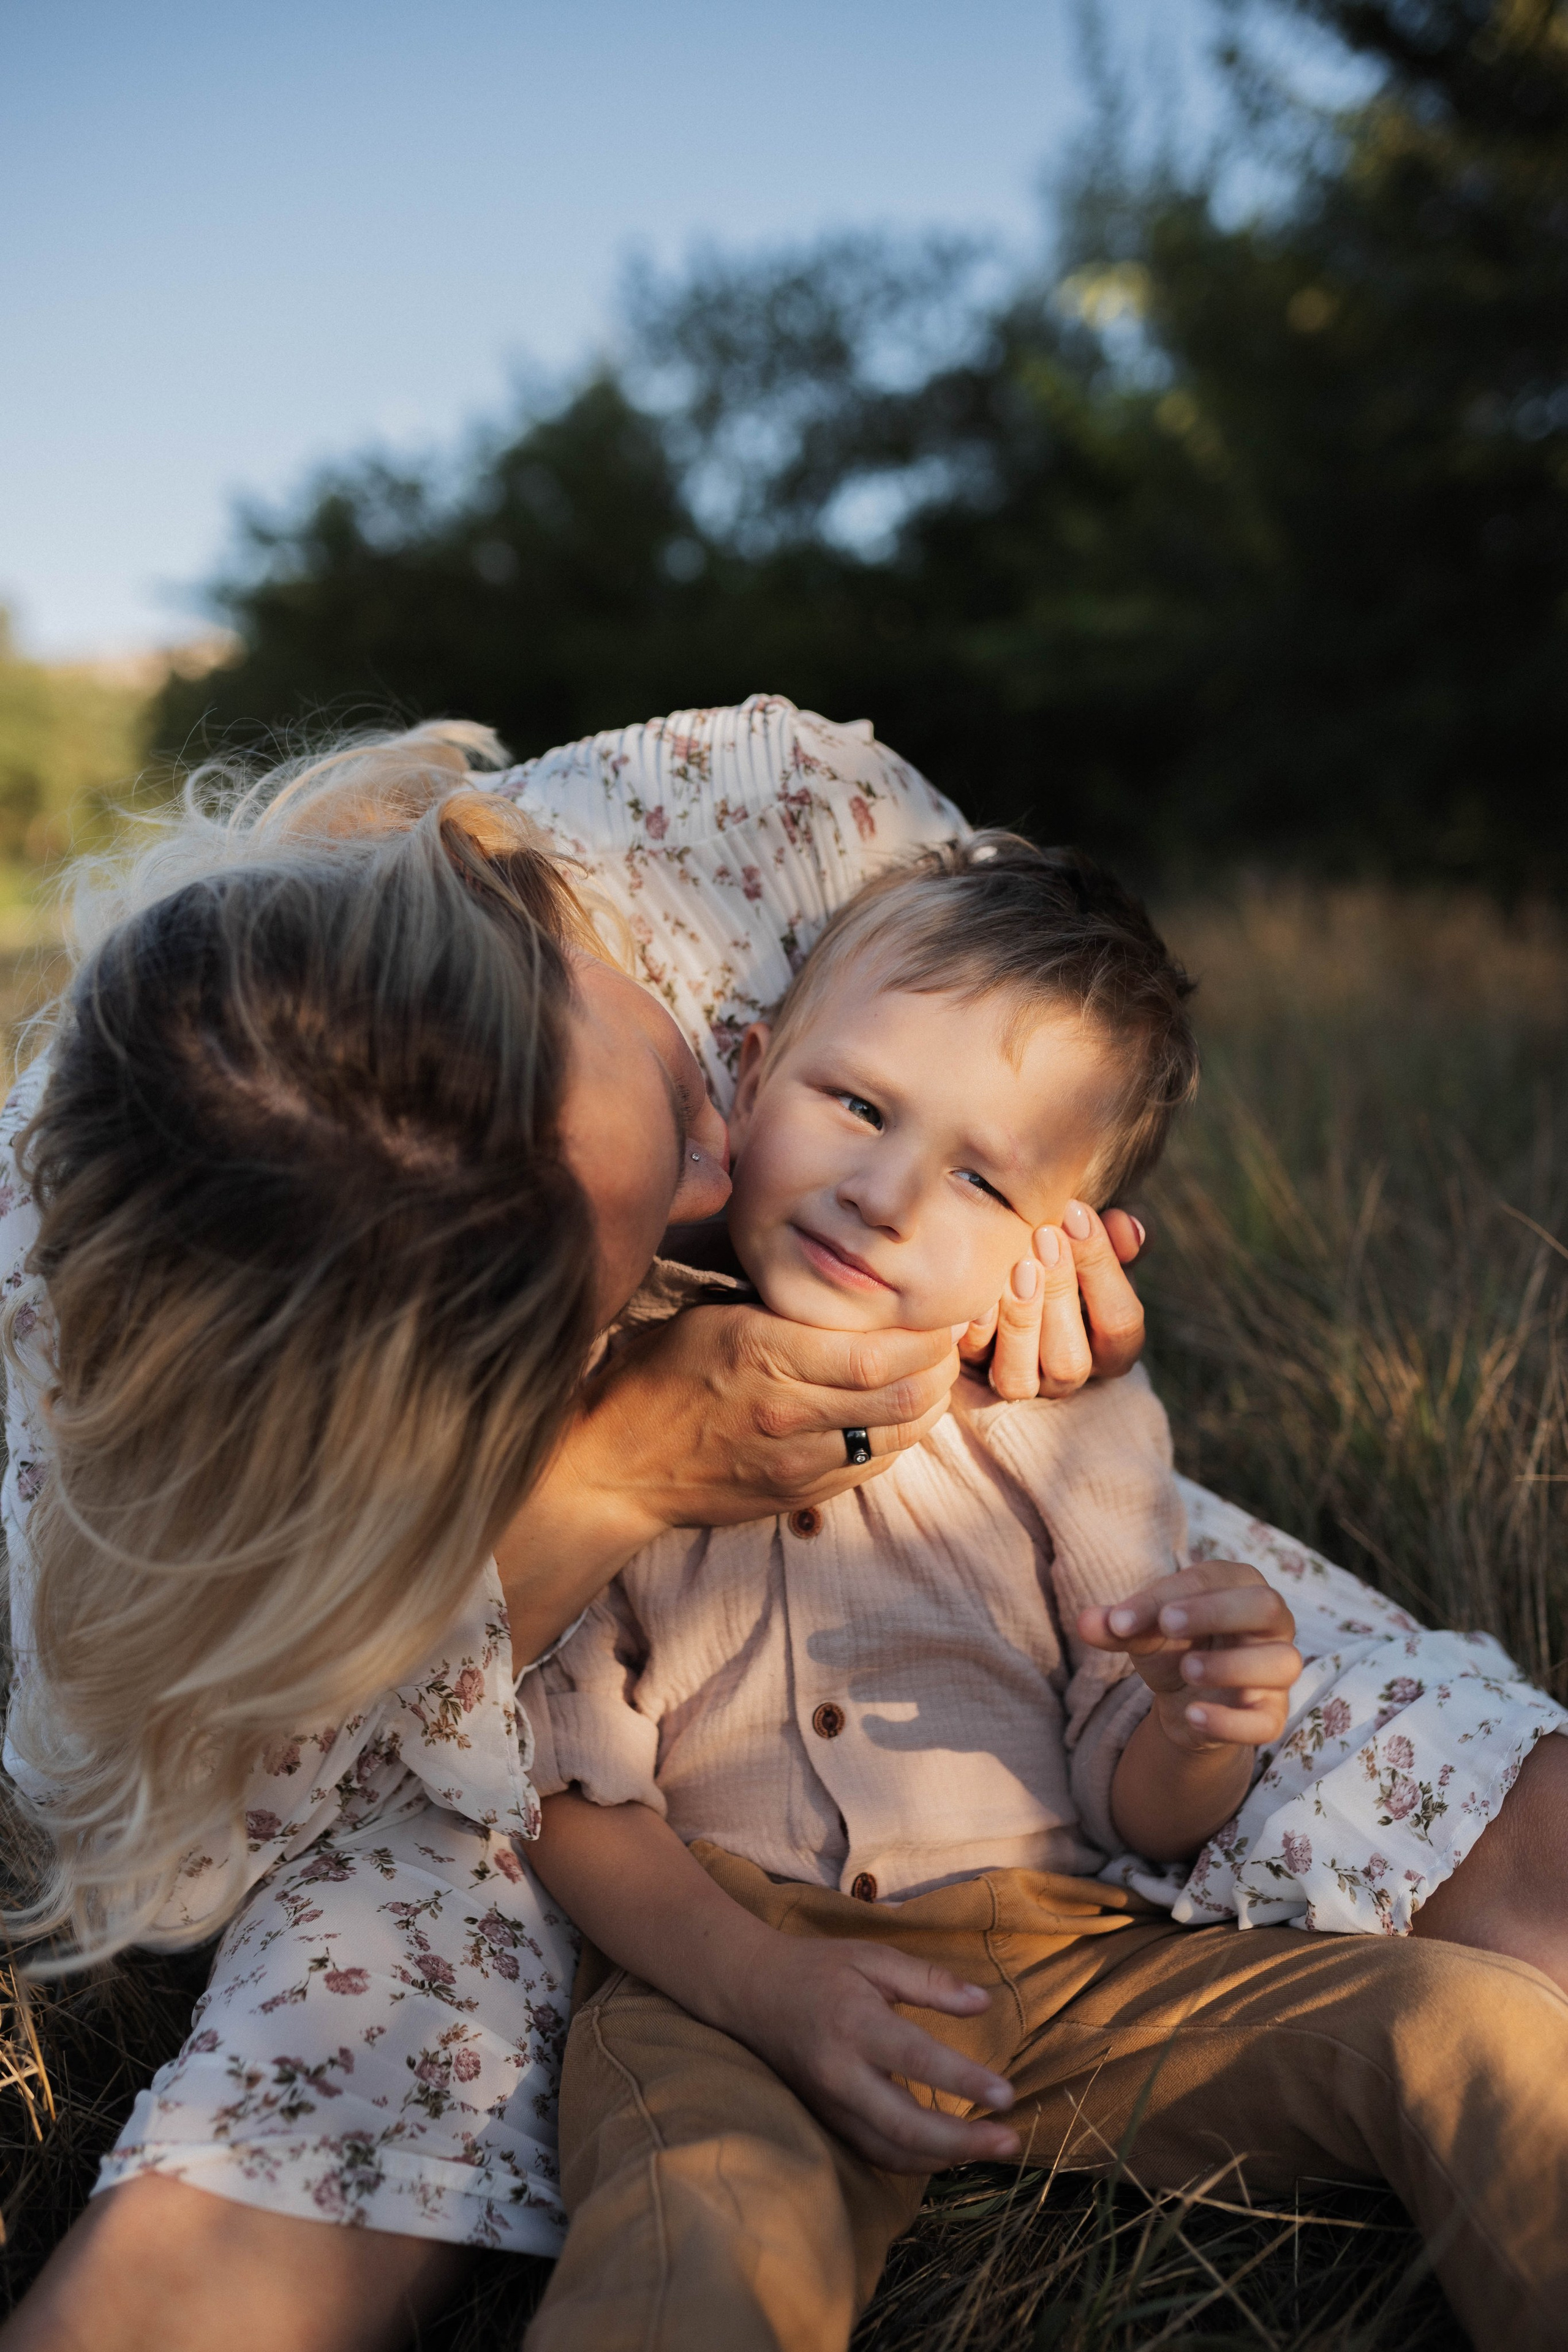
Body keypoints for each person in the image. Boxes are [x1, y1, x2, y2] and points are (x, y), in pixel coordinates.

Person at [0, 703, 1149, 2352]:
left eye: (683, 1100)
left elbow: (1049, 1015)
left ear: (525, 925)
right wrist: (607, 1477)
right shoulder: (87, 1418)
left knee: (1359, 1749)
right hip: (463, 1714)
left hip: (896, 1563)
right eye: (620, 1265)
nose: (716, 1190)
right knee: (400, 1937)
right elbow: (196, 1824)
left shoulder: (754, 812)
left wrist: (1030, 1292)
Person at [518, 830, 1568, 2352]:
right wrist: (764, 1990)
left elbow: (1135, 1803)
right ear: (746, 1070)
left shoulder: (1062, 1427)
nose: (881, 1193)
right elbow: (564, 1792)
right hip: (726, 1978)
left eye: (977, 1178)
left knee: (1465, 2026)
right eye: (857, 1105)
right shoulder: (618, 1390)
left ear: (1059, 1243)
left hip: (1073, 1957)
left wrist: (1204, 1718)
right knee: (701, 2231)